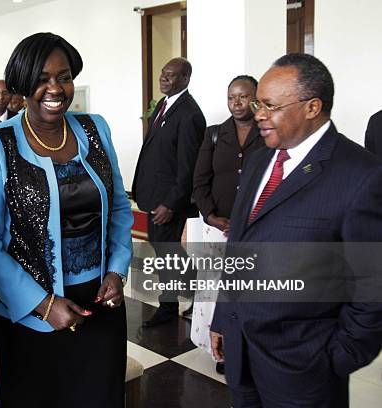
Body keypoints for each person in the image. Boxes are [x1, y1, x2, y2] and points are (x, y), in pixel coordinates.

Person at [0, 32, 133, 408]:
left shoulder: (95, 128)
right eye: (41, 79)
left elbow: (119, 206)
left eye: (64, 76)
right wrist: (42, 303)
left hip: (100, 302)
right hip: (27, 311)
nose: (55, 88)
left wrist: (117, 271)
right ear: (21, 85)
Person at [210, 53, 382, 408]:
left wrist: (338, 357)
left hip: (306, 371)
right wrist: (222, 317)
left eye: (270, 105)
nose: (258, 114)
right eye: (259, 103)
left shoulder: (361, 175)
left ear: (312, 107)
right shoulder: (259, 160)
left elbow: (373, 284)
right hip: (241, 354)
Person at [190, 75, 263, 374]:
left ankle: (245, 350)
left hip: (255, 229)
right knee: (214, 292)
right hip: (217, 227)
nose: (236, 102)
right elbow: (200, 181)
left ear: (256, 98)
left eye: (244, 96)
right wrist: (210, 216)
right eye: (232, 96)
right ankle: (221, 350)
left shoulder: (269, 132)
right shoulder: (214, 134)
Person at [132, 57, 206, 327]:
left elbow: (189, 167)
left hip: (168, 202)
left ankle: (169, 304)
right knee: (166, 249)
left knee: (166, 250)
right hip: (155, 196)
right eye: (163, 73)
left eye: (171, 75)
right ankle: (200, 288)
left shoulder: (190, 114)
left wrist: (171, 204)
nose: (164, 78)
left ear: (185, 79)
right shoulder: (164, 105)